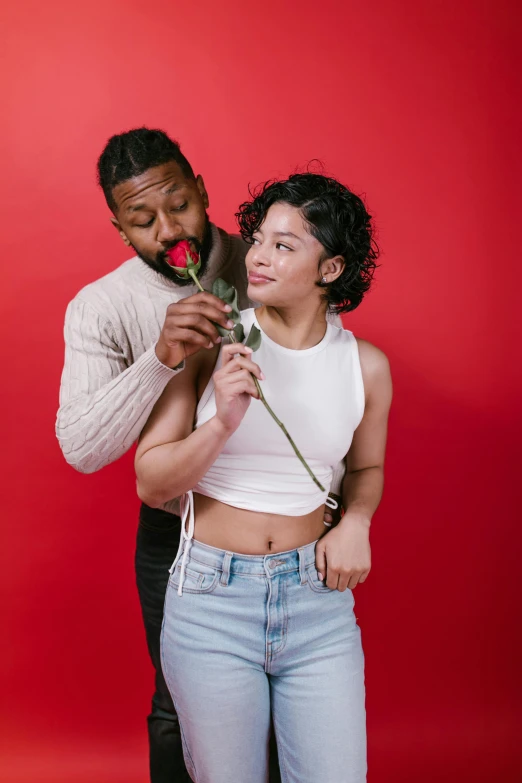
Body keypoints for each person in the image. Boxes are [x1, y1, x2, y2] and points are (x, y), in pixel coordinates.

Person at [56, 128, 343, 783]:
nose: (167, 228)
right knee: (179, 707)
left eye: (179, 204)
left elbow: (334, 385)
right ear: (118, 226)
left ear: (203, 190)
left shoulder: (268, 262)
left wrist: (345, 514)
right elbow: (81, 449)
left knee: (286, 705)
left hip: (286, 527)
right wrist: (159, 360)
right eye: (142, 219)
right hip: (180, 533)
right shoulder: (100, 307)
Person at [135, 173, 393, 783]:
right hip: (210, 602)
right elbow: (151, 482)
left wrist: (356, 519)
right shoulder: (212, 340)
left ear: (330, 269)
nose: (257, 254)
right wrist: (221, 421)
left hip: (318, 605)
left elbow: (367, 467)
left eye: (284, 244)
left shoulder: (366, 366)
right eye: (257, 238)